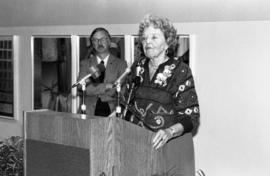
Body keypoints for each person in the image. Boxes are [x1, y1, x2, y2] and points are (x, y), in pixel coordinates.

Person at [122, 14, 200, 149]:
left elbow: (191, 118)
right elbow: (124, 105)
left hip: (168, 145)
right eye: (144, 38)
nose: (147, 42)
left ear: (167, 43)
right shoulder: (137, 67)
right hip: (135, 144)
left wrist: (169, 132)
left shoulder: (180, 70)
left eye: (154, 37)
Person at [78, 27, 127, 117]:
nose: (99, 42)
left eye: (102, 39)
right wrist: (107, 86)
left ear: (109, 41)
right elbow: (82, 87)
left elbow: (121, 91)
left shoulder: (121, 64)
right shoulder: (85, 64)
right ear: (92, 43)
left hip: (112, 111)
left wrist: (95, 88)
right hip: (89, 111)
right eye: (95, 40)